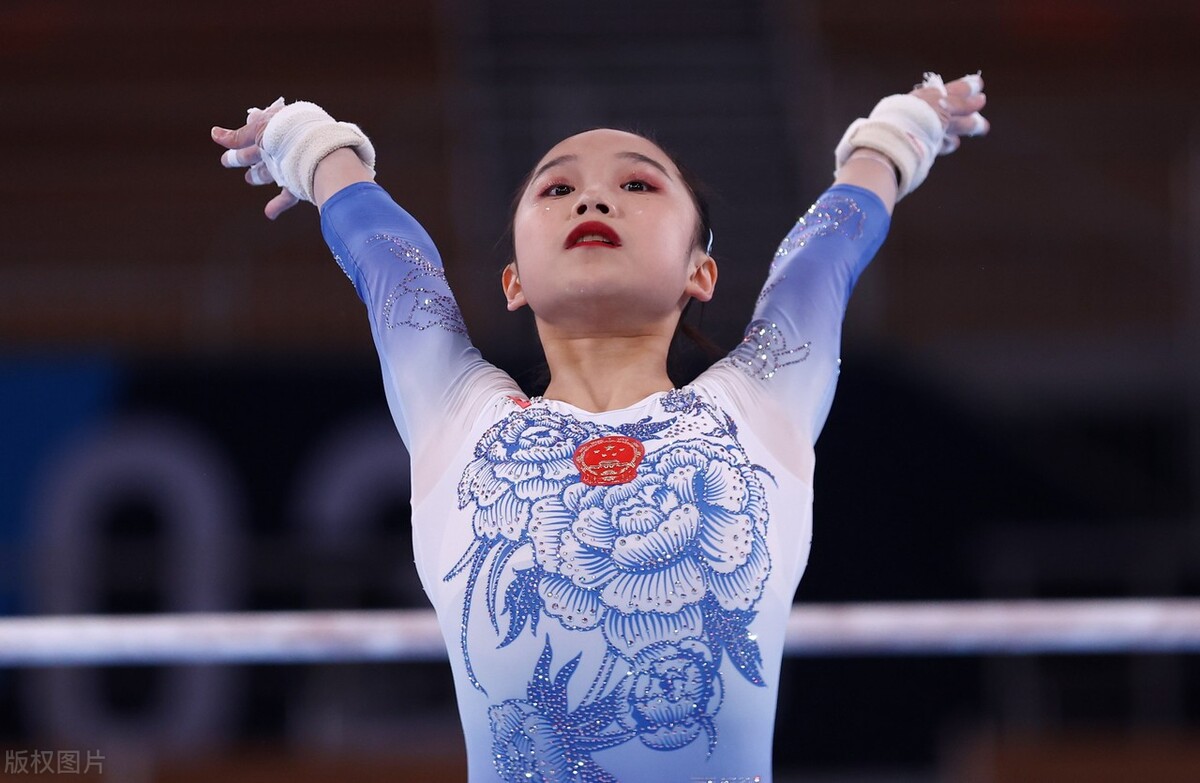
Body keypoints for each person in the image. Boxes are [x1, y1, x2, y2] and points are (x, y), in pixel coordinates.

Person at [212, 72, 988, 783]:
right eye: (556, 190)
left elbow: (825, 256)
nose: (593, 200)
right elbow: (392, 261)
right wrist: (310, 140)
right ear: (513, 280)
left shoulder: (761, 405)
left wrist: (902, 128)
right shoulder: (459, 416)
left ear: (700, 271)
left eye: (637, 184)